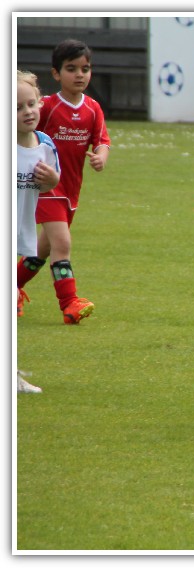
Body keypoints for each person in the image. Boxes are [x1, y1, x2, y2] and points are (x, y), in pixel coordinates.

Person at [16, 39, 111, 325]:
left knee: (40, 251)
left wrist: (101, 157)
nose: (80, 74)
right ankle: (69, 303)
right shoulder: (45, 106)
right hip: (46, 187)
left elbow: (102, 141)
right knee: (62, 243)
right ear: (56, 74)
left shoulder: (93, 108)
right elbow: (24, 130)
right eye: (71, 69)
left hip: (70, 190)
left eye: (85, 68)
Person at [16, 70, 61, 392]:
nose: (28, 111)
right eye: (18, 107)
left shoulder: (45, 144)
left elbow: (54, 179)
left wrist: (52, 181)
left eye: (31, 103)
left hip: (20, 231)